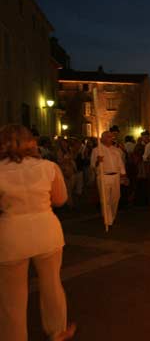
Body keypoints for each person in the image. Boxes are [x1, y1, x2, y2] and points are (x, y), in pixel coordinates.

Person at [0, 125, 72, 341]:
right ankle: (57, 330)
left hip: (12, 233)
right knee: (51, 284)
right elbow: (60, 199)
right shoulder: (48, 167)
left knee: (12, 296)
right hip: (46, 229)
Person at [90, 131, 126, 225]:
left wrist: (123, 175)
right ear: (103, 138)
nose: (111, 138)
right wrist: (98, 161)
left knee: (116, 198)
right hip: (103, 176)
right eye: (109, 137)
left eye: (112, 137)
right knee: (105, 199)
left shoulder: (116, 150)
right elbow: (93, 166)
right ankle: (108, 220)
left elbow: (120, 163)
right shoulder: (97, 150)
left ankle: (112, 216)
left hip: (115, 176)